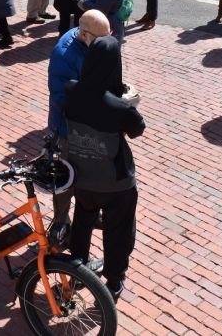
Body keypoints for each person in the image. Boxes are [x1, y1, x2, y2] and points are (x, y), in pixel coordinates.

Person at [65, 35, 146, 302]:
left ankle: (76, 268)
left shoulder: (72, 91)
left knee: (83, 221)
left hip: (83, 176)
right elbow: (138, 129)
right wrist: (123, 99)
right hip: (116, 182)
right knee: (118, 230)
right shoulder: (118, 106)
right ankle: (113, 279)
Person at [47, 10, 112, 238]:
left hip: (90, 125)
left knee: (92, 174)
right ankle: (60, 223)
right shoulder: (64, 55)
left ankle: (90, 214)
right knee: (66, 179)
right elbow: (62, 98)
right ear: (84, 35)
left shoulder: (95, 42)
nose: (106, 43)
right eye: (100, 39)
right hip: (67, 129)